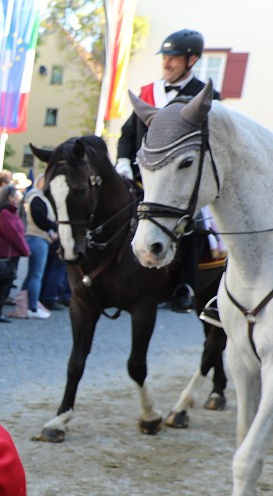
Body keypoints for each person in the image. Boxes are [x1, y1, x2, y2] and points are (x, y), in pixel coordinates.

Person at [116, 28, 216, 312]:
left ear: (192, 60)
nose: (167, 63)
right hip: (142, 174)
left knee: (196, 221)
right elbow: (127, 134)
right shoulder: (148, 92)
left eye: (174, 58)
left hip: (181, 179)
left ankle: (186, 284)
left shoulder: (205, 94)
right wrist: (123, 160)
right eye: (165, 57)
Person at [0, 184, 29, 323]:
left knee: (3, 283)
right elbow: (13, 235)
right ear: (9, 197)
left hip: (10, 252)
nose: (17, 198)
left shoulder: (9, 212)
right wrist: (25, 250)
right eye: (15, 196)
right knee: (2, 284)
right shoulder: (5, 213)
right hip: (7, 253)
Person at [22, 175, 57, 320]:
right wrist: (52, 228)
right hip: (37, 237)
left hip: (38, 237)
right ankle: (32, 306)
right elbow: (41, 219)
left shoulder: (37, 197)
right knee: (36, 275)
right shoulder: (36, 197)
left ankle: (24, 304)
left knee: (32, 274)